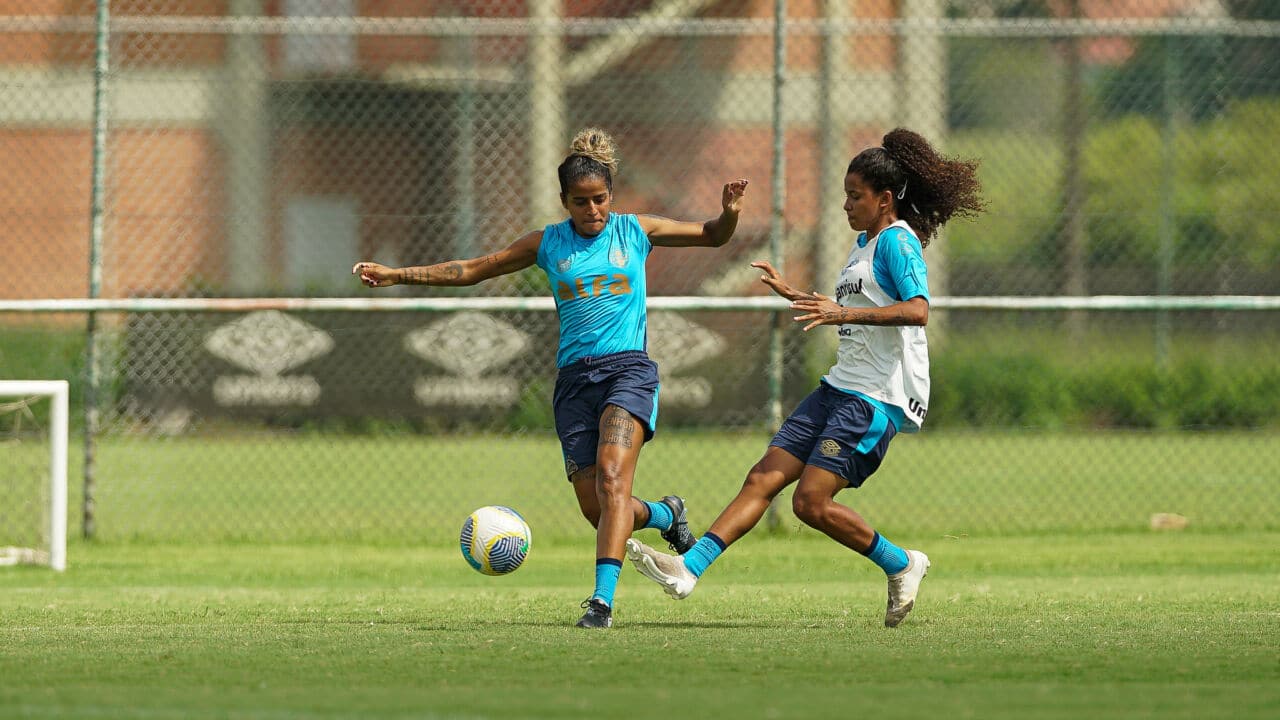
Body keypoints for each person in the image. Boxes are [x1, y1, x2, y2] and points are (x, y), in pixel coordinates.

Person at [352, 127, 749, 629]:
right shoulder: (547, 243)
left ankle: (600, 604)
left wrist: (730, 212)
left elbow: (712, 235)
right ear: (564, 201)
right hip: (574, 383)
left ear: (612, 196)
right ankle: (667, 514)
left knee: (611, 480)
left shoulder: (635, 231)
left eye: (601, 199)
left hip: (628, 371)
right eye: (581, 202)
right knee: (599, 509)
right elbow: (475, 268)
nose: (593, 211)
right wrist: (396, 275)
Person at [624, 128, 984, 627]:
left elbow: (918, 311)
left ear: (884, 199)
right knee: (762, 476)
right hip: (840, 387)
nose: (845, 205)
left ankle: (903, 563)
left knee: (810, 502)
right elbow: (850, 304)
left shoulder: (898, 243)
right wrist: (793, 292)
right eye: (845, 195)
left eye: (854, 196)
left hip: (874, 397)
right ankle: (688, 569)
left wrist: (842, 317)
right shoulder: (865, 244)